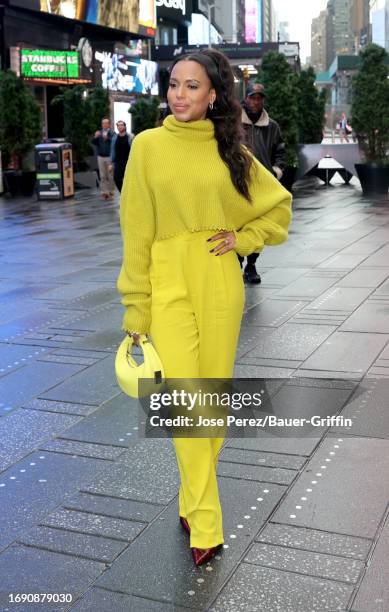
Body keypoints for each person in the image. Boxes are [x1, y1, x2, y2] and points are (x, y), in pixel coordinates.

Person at [116, 49, 292, 567]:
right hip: (166, 282)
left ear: (214, 94)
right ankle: (207, 524)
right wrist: (135, 304)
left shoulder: (232, 151)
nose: (179, 94)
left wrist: (243, 237)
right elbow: (135, 231)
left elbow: (278, 204)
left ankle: (190, 498)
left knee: (210, 406)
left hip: (218, 282)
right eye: (174, 84)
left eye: (192, 86)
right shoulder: (147, 147)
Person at [240, 82, 286, 284]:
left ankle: (251, 265)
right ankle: (236, 261)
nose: (256, 101)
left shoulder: (272, 127)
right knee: (238, 224)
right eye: (252, 97)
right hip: (237, 183)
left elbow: (281, 151)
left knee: (258, 226)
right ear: (246, 98)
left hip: (263, 186)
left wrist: (276, 171)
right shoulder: (233, 123)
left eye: (259, 97)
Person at [92, 117, 115, 200]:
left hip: (109, 157)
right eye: (103, 123)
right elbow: (94, 143)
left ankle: (111, 191)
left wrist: (108, 139)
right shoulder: (99, 133)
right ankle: (104, 192)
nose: (104, 125)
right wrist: (95, 137)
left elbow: (114, 142)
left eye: (106, 123)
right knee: (102, 175)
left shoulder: (112, 133)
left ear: (109, 124)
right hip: (100, 157)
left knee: (110, 175)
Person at [110, 120, 132, 193]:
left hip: (128, 162)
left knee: (128, 179)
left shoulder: (130, 137)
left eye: (121, 125)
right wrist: (111, 163)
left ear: (125, 126)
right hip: (118, 162)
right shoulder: (114, 138)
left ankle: (128, 193)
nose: (119, 127)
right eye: (118, 125)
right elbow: (113, 150)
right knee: (116, 178)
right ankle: (123, 193)